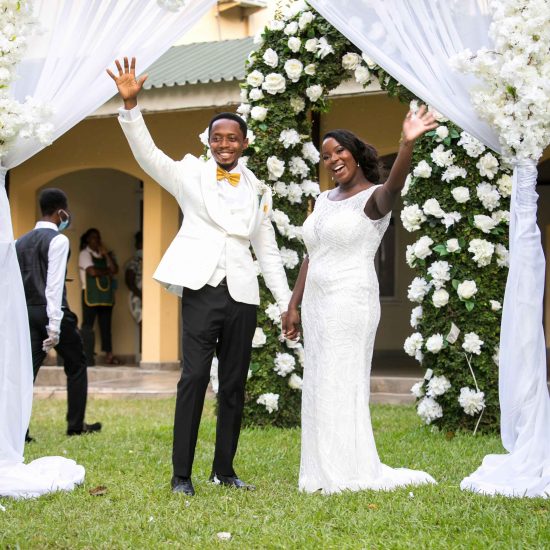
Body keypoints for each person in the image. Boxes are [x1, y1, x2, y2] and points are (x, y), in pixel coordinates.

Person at [107, 57, 291, 496]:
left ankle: (224, 470)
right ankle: (181, 475)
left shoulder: (258, 189)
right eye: (217, 138)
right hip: (201, 289)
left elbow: (267, 252)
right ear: (208, 141)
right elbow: (148, 156)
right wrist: (132, 108)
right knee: (192, 378)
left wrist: (286, 304)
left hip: (243, 294)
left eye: (232, 138)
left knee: (233, 384)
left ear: (245, 143)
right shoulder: (189, 173)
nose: (224, 144)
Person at [283, 106, 438, 494]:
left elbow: (395, 186)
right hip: (317, 304)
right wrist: (293, 303)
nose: (333, 160)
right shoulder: (321, 200)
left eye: (338, 152)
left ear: (354, 152)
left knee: (341, 382)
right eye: (325, 156)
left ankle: (346, 470)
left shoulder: (373, 199)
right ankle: (320, 470)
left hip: (350, 301)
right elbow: (310, 254)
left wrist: (406, 143)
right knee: (320, 381)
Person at [15, 188, 102, 437]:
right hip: (53, 312)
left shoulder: (20, 242)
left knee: (26, 373)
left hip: (27, 312)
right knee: (76, 364)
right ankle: (75, 425)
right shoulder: (59, 240)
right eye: (67, 211)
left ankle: (20, 430)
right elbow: (53, 285)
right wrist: (54, 325)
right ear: (61, 211)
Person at [79, 227, 121, 366]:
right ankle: (85, 354)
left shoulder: (104, 254)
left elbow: (115, 270)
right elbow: (92, 272)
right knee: (88, 326)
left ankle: (109, 355)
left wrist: (106, 255)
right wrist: (107, 271)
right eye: (93, 237)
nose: (96, 240)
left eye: (98, 238)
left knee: (106, 327)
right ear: (88, 240)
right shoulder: (84, 254)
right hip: (90, 295)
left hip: (106, 296)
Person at [125, 231, 143, 326]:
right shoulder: (134, 262)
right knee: (144, 325)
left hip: (147, 297)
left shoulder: (150, 259)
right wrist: (142, 296)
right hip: (138, 298)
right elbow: (129, 282)